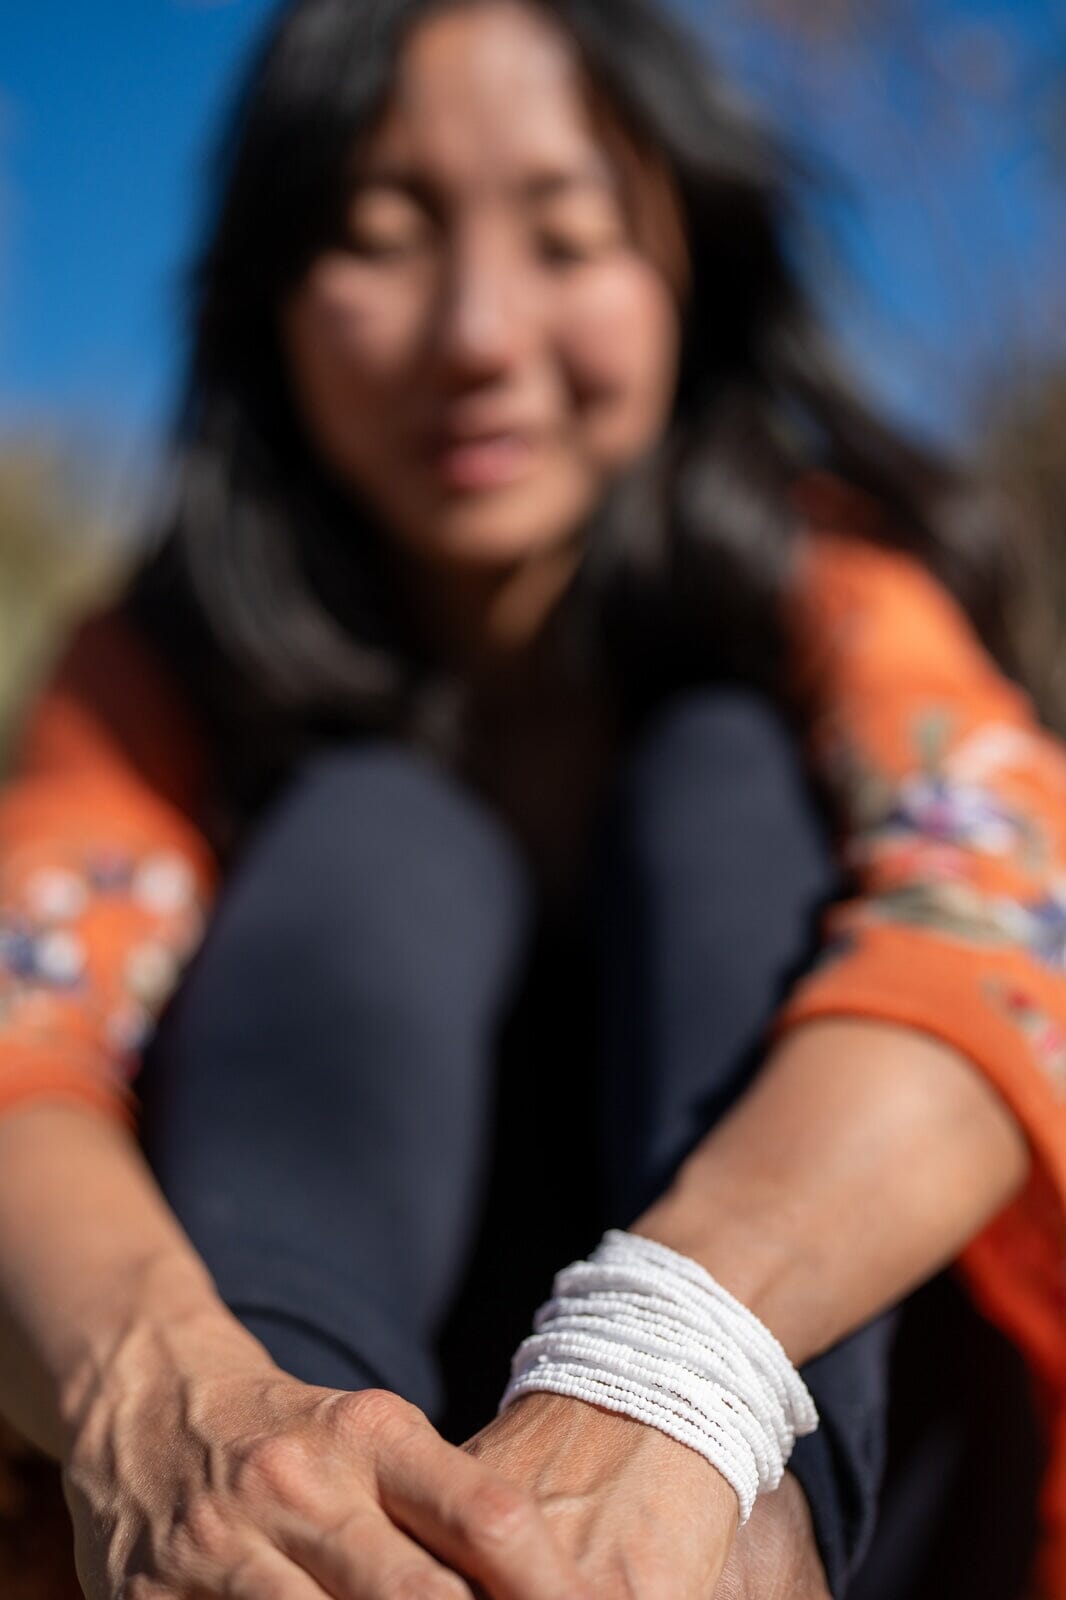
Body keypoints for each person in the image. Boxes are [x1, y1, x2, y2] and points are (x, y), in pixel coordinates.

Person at [0, 0, 1062, 1595]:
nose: (479, 335)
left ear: (685, 274)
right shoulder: (163, 667)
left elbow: (1010, 907)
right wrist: (175, 1413)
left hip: (853, 1489)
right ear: (272, 296)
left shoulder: (821, 590)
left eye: (568, 240)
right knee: (370, 833)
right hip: (301, 1403)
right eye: (381, 240)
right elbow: (22, 1023)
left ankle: (752, 1543)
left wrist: (670, 1373)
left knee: (720, 778)